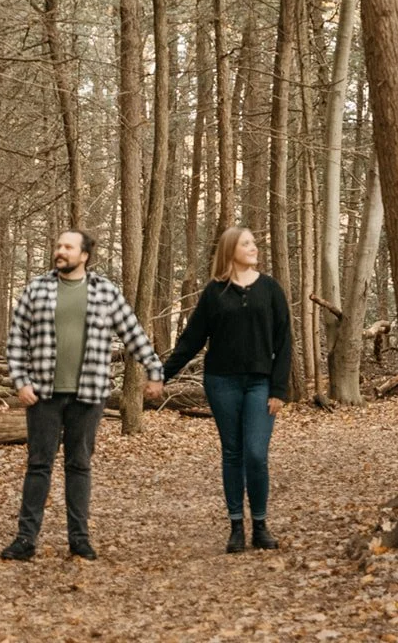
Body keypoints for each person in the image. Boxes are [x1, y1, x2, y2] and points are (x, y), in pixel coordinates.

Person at [0, 228, 165, 562]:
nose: (59, 251)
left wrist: (155, 369)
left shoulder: (105, 292)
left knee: (79, 465)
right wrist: (20, 381)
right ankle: (25, 540)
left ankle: (79, 539)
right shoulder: (36, 289)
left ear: (84, 255)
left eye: (67, 247)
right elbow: (16, 340)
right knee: (38, 465)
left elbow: (133, 333)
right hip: (43, 393)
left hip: (89, 394)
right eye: (58, 245)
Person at [162, 225, 291, 553]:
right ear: (230, 249)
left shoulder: (271, 289)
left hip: (260, 384)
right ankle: (236, 527)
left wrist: (279, 389)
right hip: (222, 383)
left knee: (256, 454)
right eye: (246, 243)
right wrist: (161, 375)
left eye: (254, 243)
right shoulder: (214, 292)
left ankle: (260, 526)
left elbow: (284, 341)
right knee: (232, 453)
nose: (254, 248)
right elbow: (192, 339)